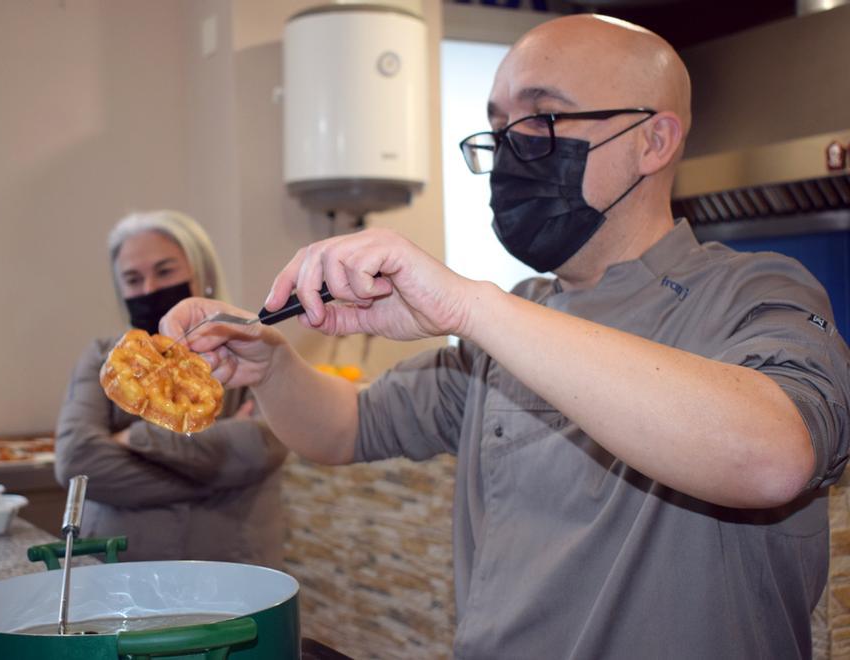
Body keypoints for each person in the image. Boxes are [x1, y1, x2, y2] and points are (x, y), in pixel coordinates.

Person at [162, 15, 850, 659]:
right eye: (499, 123)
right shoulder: (521, 316)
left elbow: (774, 456)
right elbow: (346, 428)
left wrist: (472, 307)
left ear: (654, 140)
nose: (511, 146)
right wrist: (269, 363)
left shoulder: (757, 293)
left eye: (542, 116)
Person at [55, 210, 286, 566]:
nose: (149, 289)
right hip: (120, 573)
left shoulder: (247, 349)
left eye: (165, 271)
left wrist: (134, 439)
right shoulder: (105, 358)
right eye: (132, 279)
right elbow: (77, 464)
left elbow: (261, 447)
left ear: (202, 273)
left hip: (229, 572)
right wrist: (214, 476)